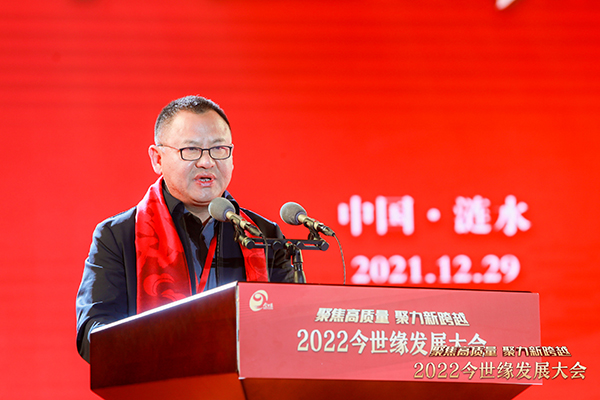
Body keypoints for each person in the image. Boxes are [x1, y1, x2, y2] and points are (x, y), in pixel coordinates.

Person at [76, 95, 299, 363]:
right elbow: (92, 335)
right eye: (191, 150)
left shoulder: (264, 236)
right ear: (157, 158)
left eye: (219, 149)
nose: (207, 162)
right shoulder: (118, 236)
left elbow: (294, 327)